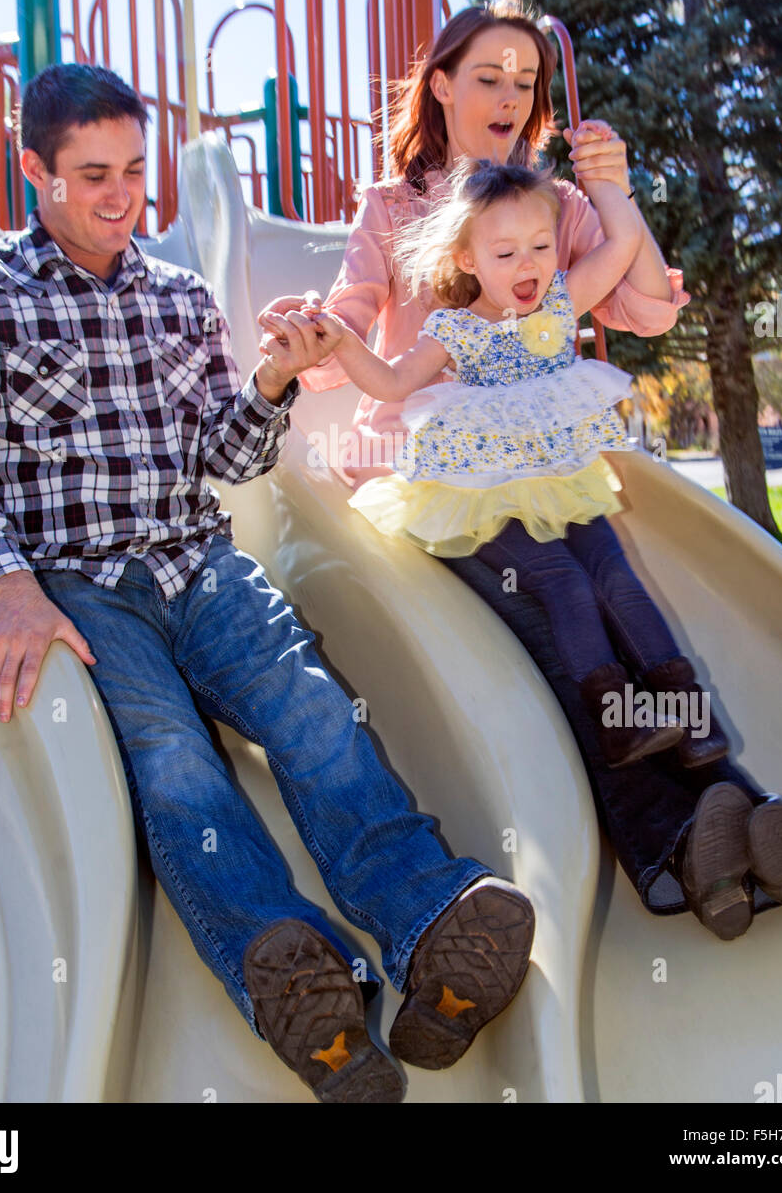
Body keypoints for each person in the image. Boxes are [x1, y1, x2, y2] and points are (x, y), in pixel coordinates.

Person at [0, 62, 536, 1104]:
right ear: (34, 172)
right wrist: (9, 585)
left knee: (315, 714)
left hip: (199, 563)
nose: (120, 195)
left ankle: (432, 921)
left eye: (134, 170)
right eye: (92, 174)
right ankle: (298, 980)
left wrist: (273, 381)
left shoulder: (179, 295)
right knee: (174, 766)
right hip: (82, 586)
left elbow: (228, 458)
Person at [262, 0, 782, 940]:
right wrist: (310, 334)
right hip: (443, 483)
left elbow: (647, 305)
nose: (507, 95)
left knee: (610, 595)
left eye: (524, 81)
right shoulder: (395, 209)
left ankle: (716, 827)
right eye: (486, 75)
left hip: (541, 460)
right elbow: (356, 322)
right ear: (441, 84)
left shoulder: (551, 206)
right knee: (549, 617)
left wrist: (614, 189)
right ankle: (705, 827)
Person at [269, 157, 729, 773]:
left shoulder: (561, 300)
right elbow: (389, 381)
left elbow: (621, 243)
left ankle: (689, 715)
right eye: (505, 252)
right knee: (562, 582)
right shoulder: (454, 330)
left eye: (541, 245)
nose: (529, 264)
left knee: (613, 573)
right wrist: (341, 340)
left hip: (557, 478)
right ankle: (615, 717)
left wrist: (609, 186)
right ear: (468, 259)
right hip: (485, 493)